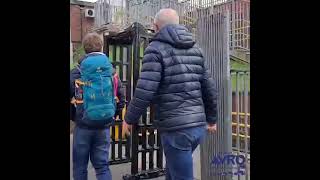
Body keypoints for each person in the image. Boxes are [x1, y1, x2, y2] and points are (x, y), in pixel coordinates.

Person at [124, 8, 217, 180]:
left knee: (181, 175)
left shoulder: (155, 49)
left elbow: (145, 90)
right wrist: (211, 119)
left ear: (155, 26)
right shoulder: (196, 49)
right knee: (173, 171)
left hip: (176, 130)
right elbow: (209, 87)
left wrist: (129, 119)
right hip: (197, 126)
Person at [70, 33, 113, 180]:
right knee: (102, 166)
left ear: (85, 49)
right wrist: (113, 114)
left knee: (80, 166)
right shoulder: (110, 70)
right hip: (104, 125)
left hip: (83, 124)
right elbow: (120, 95)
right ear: (101, 46)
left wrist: (74, 116)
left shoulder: (77, 72)